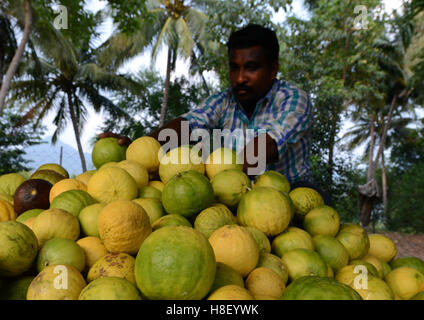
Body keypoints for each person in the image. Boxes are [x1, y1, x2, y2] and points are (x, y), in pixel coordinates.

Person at [101, 24, 331, 204]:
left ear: (273, 69)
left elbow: (263, 149)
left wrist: (209, 179)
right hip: (236, 191)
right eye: (234, 67)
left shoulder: (293, 99)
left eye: (251, 68)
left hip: (291, 192)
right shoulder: (225, 100)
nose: (240, 78)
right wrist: (143, 150)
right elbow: (187, 125)